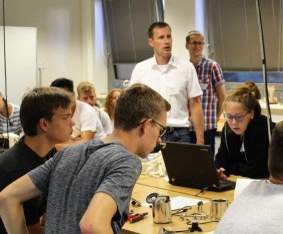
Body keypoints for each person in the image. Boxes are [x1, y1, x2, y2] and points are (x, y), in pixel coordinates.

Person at [0, 83, 171, 233]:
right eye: (161, 129)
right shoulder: (126, 161)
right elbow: (91, 225)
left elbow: (7, 198)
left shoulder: (69, 152)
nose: (159, 139)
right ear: (147, 125)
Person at [0, 87, 73, 234]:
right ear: (44, 124)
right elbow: (34, 230)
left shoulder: (48, 151)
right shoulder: (17, 170)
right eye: (66, 117)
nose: (73, 123)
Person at [130, 22, 204, 144]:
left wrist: (200, 140)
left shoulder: (186, 68)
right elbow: (133, 105)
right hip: (148, 133)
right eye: (161, 37)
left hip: (179, 134)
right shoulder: (140, 69)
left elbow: (196, 105)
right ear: (151, 42)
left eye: (168, 36)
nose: (166, 41)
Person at [215, 81, 271, 179]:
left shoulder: (262, 127)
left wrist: (231, 166)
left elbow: (258, 171)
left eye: (239, 117)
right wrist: (220, 172)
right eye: (229, 116)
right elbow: (220, 162)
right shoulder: (227, 129)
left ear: (251, 113)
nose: (233, 122)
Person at [186, 30, 226, 153]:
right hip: (186, 127)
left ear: (203, 46)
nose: (197, 46)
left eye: (200, 43)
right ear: (186, 45)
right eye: (194, 43)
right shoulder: (185, 68)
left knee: (205, 165)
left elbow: (223, 96)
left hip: (207, 126)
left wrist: (216, 117)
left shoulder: (212, 67)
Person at [50, 77, 105, 148]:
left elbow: (85, 144)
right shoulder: (55, 111)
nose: (61, 100)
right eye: (57, 97)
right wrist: (75, 141)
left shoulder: (87, 111)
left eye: (64, 96)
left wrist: (55, 146)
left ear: (73, 95)